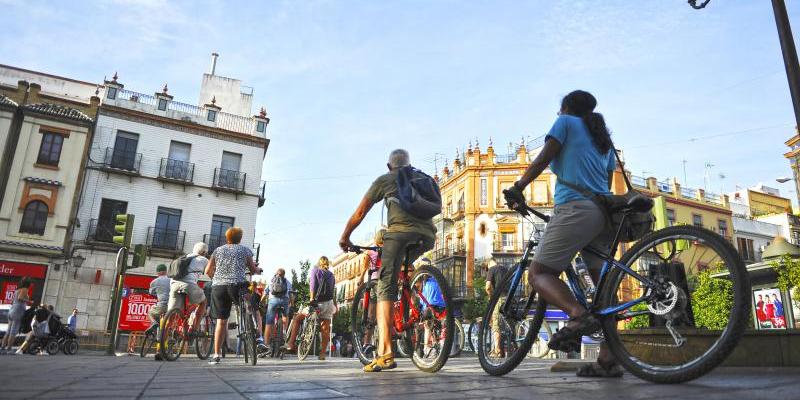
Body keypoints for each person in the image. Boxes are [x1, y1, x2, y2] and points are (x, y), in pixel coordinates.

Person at [504, 90, 621, 378]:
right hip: (603, 215)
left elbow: (544, 158)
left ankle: (577, 314)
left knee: (539, 273)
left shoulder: (566, 123)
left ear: (566, 108)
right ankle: (608, 360)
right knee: (604, 290)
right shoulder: (603, 139)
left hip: (575, 209)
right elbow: (605, 183)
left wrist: (519, 186)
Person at [339, 149, 436, 372]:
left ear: (389, 166)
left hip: (399, 234)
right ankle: (408, 298)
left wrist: (345, 237)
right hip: (428, 236)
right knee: (402, 269)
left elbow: (360, 212)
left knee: (385, 286)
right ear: (409, 164)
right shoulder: (422, 177)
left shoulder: (385, 180)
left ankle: (385, 353)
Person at [204, 226, 260, 365]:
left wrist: (215, 279)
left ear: (226, 238)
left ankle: (216, 354)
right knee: (250, 301)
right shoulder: (245, 250)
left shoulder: (218, 250)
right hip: (237, 285)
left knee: (221, 321)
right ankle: (253, 326)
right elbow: (253, 269)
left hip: (219, 287)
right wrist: (258, 269)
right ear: (240, 238)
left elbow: (207, 270)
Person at [283, 257, 338, 360]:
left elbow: (312, 286)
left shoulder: (315, 271)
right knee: (325, 328)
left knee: (298, 318)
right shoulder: (331, 275)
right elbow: (332, 290)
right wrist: (335, 305)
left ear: (319, 263)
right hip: (329, 303)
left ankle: (291, 344)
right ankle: (322, 354)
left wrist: (312, 298)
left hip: (317, 303)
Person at [167, 243, 210, 332]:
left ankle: (163, 337)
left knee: (171, 313)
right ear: (203, 252)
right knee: (203, 302)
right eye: (205, 253)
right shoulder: (204, 259)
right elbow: (211, 273)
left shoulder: (183, 257)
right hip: (189, 284)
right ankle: (194, 329)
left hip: (174, 284)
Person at [263, 268, 292, 355]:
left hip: (273, 301)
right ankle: (284, 333)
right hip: (284, 301)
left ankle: (266, 344)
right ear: (284, 274)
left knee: (269, 322)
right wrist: (292, 303)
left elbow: (265, 293)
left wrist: (261, 302)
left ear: (276, 274)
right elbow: (291, 294)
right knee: (285, 316)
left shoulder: (271, 281)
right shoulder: (288, 282)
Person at [485, 258, 509, 358]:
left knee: (496, 325)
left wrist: (491, 297)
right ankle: (510, 349)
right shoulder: (505, 269)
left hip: (499, 298)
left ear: (488, 265)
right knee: (507, 324)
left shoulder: (492, 269)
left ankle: (497, 350)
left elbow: (487, 287)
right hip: (509, 298)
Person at [2, 277, 31, 352]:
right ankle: (9, 349)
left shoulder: (17, 290)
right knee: (13, 331)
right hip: (17, 311)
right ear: (28, 284)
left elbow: (13, 301)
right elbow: (20, 298)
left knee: (8, 331)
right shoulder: (25, 289)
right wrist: (29, 301)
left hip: (12, 310)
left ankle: (2, 347)